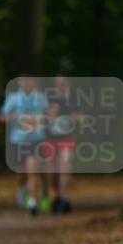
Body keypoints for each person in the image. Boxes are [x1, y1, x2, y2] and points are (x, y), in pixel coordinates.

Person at [0, 76, 47, 215]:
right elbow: (1, 117)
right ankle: (22, 189)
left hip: (36, 140)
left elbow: (49, 115)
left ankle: (33, 201)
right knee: (22, 172)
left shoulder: (41, 98)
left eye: (29, 80)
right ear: (19, 83)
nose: (26, 83)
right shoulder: (13, 98)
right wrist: (14, 117)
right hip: (18, 141)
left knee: (33, 171)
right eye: (23, 81)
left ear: (34, 82)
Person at [43, 74, 77, 213]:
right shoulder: (49, 99)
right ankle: (55, 196)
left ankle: (64, 198)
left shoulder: (73, 99)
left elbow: (79, 118)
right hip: (50, 139)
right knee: (52, 172)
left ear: (68, 83)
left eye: (63, 82)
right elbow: (45, 117)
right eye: (58, 83)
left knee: (65, 168)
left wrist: (67, 118)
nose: (61, 85)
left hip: (66, 138)